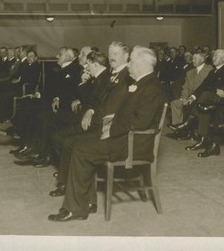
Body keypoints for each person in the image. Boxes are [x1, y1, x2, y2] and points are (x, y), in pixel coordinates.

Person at [47, 46, 165, 222]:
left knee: (81, 150)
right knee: (75, 144)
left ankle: (75, 209)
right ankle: (86, 202)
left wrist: (110, 129)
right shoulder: (141, 83)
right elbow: (127, 114)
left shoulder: (151, 88)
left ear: (141, 64)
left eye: (131, 61)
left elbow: (139, 122)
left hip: (132, 144)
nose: (129, 65)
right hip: (123, 136)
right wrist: (110, 122)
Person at [169, 52, 213, 128]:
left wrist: (191, 98)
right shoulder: (189, 72)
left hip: (200, 98)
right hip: (189, 97)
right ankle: (177, 125)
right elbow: (185, 87)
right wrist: (184, 98)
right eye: (193, 59)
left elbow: (207, 87)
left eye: (195, 58)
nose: (193, 60)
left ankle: (184, 127)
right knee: (175, 103)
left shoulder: (209, 70)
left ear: (202, 59)